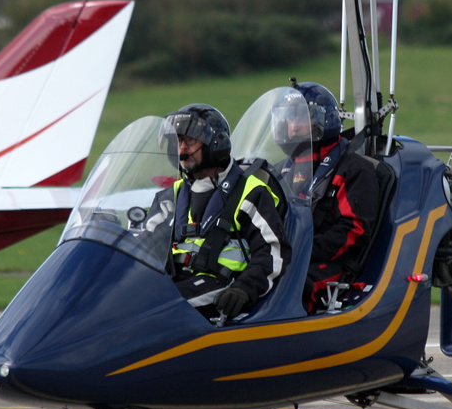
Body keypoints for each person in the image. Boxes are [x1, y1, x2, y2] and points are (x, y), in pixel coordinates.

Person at [149, 103, 289, 321]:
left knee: (156, 311)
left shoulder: (251, 192)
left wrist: (244, 289)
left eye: (189, 140)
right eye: (177, 142)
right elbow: (143, 247)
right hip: (172, 281)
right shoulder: (170, 197)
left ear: (215, 143)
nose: (182, 149)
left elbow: (272, 252)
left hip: (223, 286)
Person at [271, 82, 380, 311]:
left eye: (300, 118)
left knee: (288, 285)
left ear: (323, 119)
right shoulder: (280, 171)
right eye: (288, 119)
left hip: (331, 264)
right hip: (287, 256)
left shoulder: (353, 169)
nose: (292, 127)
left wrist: (299, 252)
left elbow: (353, 232)